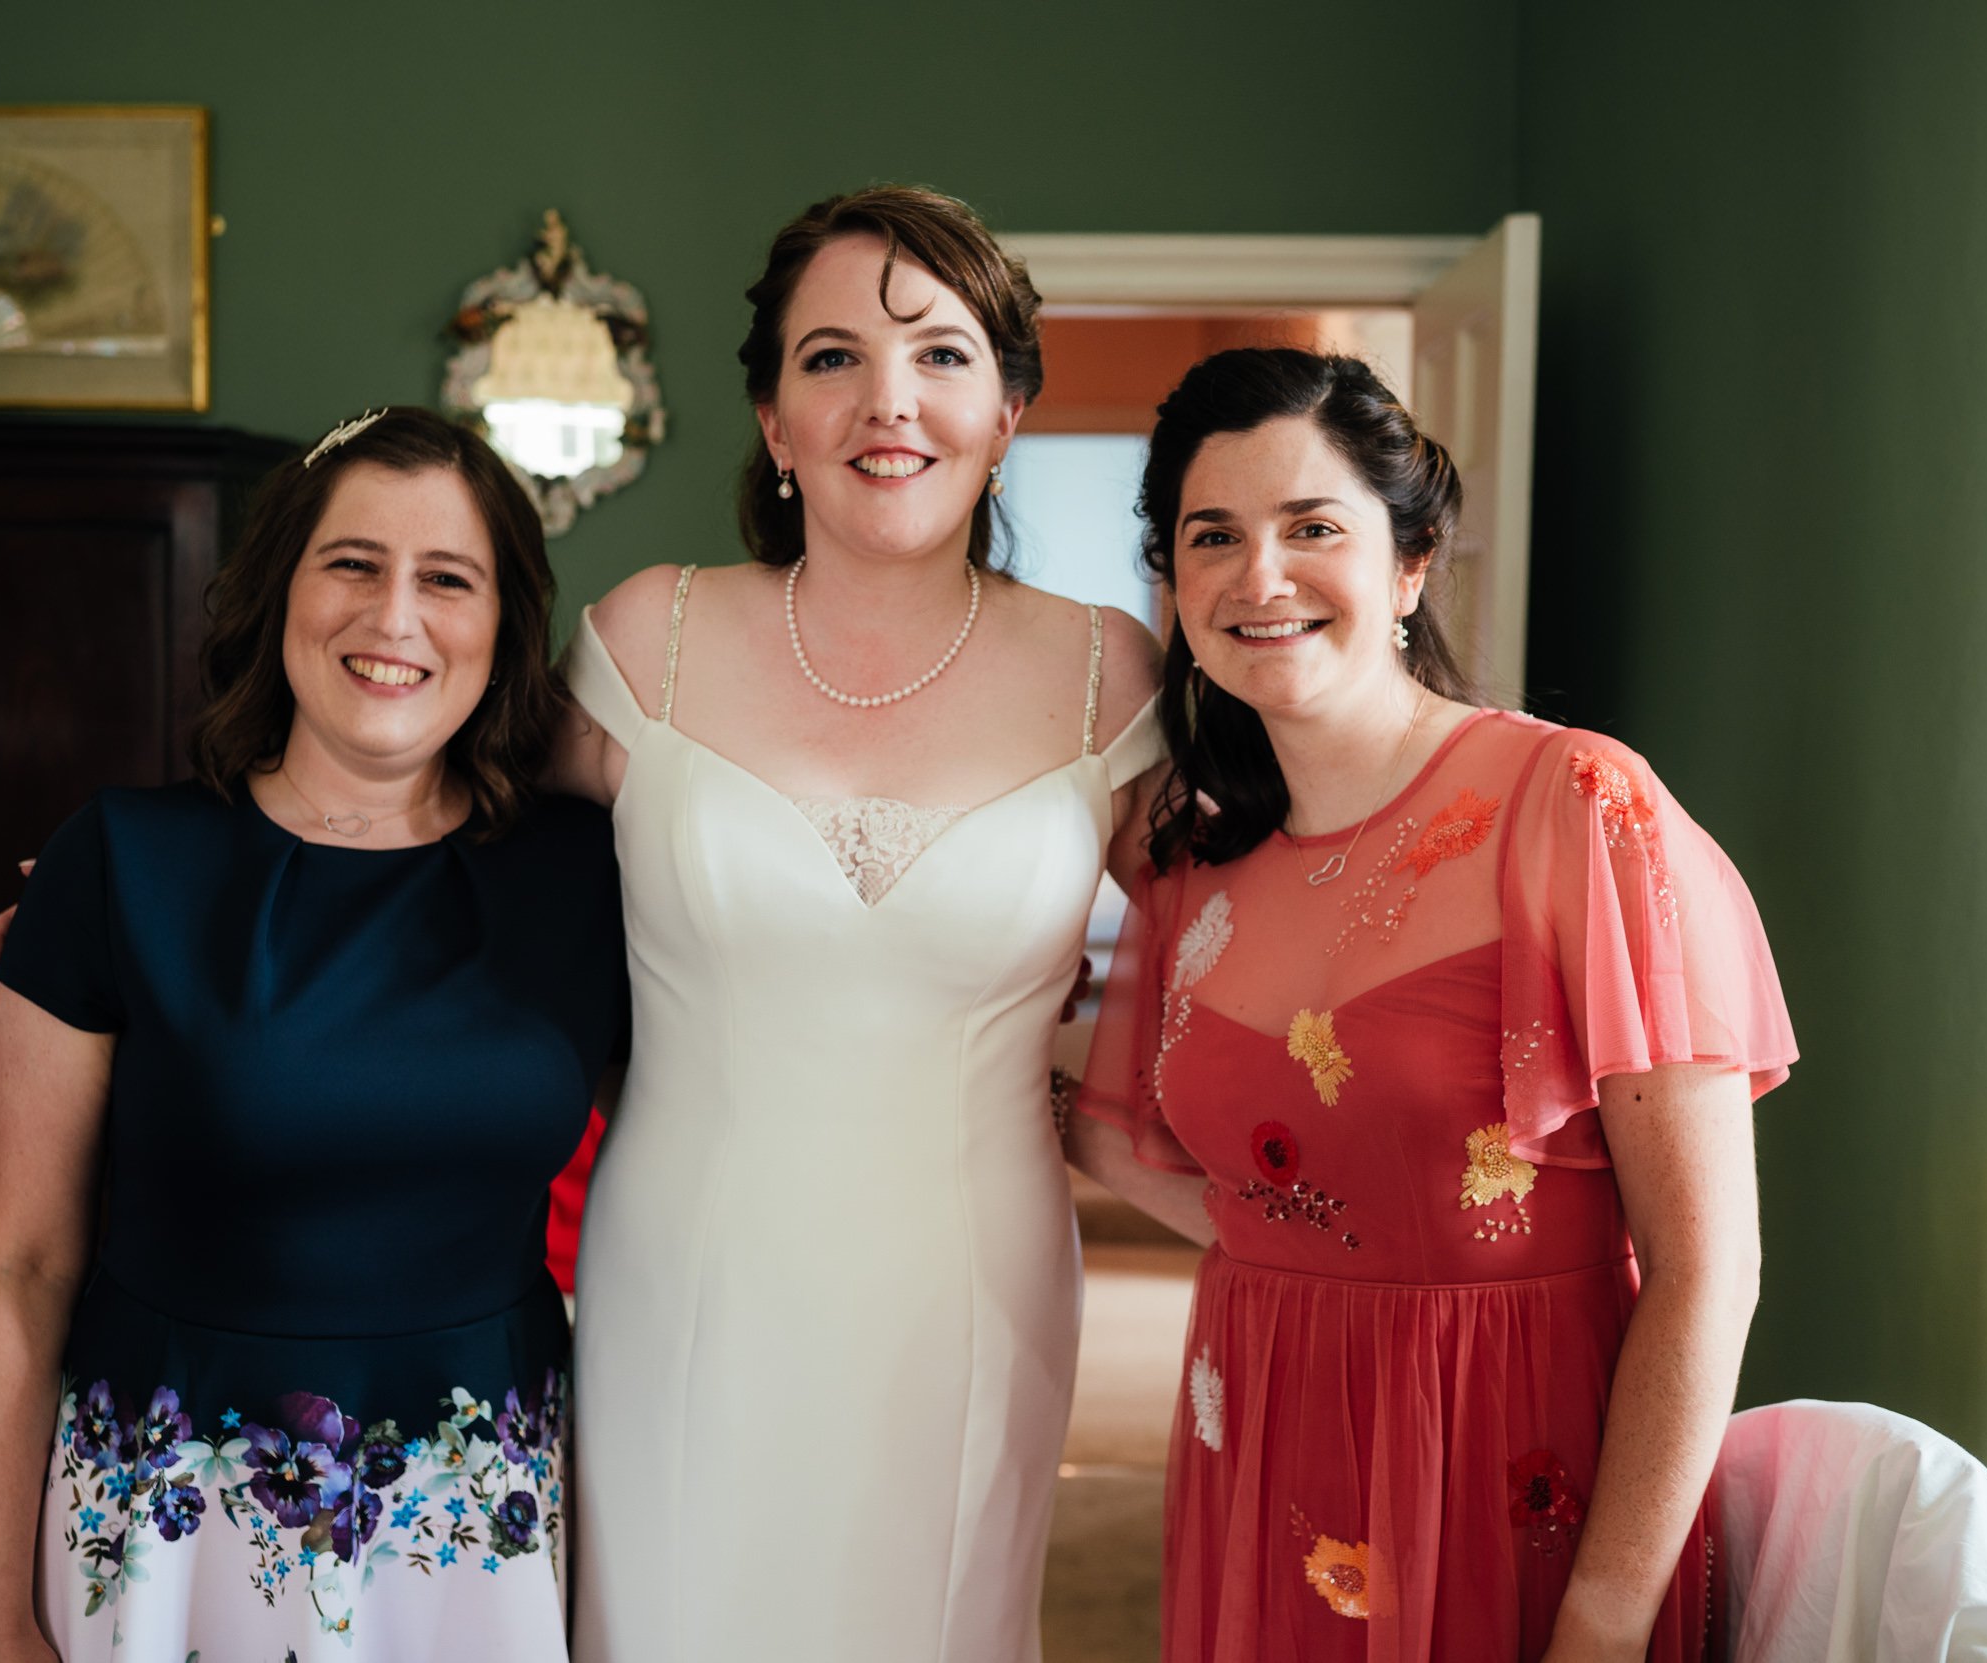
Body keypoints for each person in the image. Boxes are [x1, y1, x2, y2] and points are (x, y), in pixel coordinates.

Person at [1065, 348, 1794, 1661]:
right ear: (1172, 586)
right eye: (1212, 535)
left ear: (1408, 565)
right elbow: (1145, 1149)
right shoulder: (1192, 857)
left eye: (1313, 527)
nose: (1259, 575)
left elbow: (1706, 1267)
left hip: (1509, 1462)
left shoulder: (1575, 804)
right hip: (1262, 1440)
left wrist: (1606, 1616)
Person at [546, 185, 1164, 1662]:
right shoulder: (649, 636)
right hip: (680, 1278)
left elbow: (1257, 930)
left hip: (967, 1286)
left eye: (941, 355)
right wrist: (126, 906)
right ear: (771, 418)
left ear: (1008, 409)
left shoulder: (1107, 673)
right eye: (831, 358)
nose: (889, 400)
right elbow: (447, 870)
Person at [0, 409, 626, 1663]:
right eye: (353, 564)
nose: (394, 617)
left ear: (503, 623)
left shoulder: (587, 876)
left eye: (447, 579)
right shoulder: (120, 860)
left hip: (471, 1530)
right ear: (280, 592)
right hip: (175, 1523)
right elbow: (21, 1262)